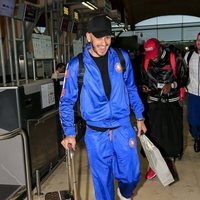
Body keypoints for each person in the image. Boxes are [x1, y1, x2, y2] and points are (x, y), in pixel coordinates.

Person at [59, 14, 147, 200]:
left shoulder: (121, 58)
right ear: (89, 36)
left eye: (107, 37)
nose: (104, 43)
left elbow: (131, 88)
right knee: (103, 183)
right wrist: (69, 132)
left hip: (123, 127)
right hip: (96, 132)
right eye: (99, 37)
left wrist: (139, 116)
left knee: (132, 176)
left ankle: (124, 194)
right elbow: (66, 101)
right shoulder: (77, 65)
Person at [141, 38, 189, 181]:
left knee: (171, 133)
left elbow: (184, 79)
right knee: (154, 134)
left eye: (155, 54)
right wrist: (145, 87)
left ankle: (169, 160)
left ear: (160, 48)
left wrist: (172, 85)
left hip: (172, 102)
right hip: (155, 102)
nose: (153, 58)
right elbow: (144, 80)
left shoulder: (175, 58)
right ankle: (154, 164)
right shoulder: (146, 61)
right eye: (151, 56)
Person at [184, 32, 200, 152]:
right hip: (193, 93)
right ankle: (197, 137)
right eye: (198, 39)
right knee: (193, 120)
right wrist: (183, 84)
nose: (199, 42)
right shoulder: (189, 55)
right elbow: (183, 72)